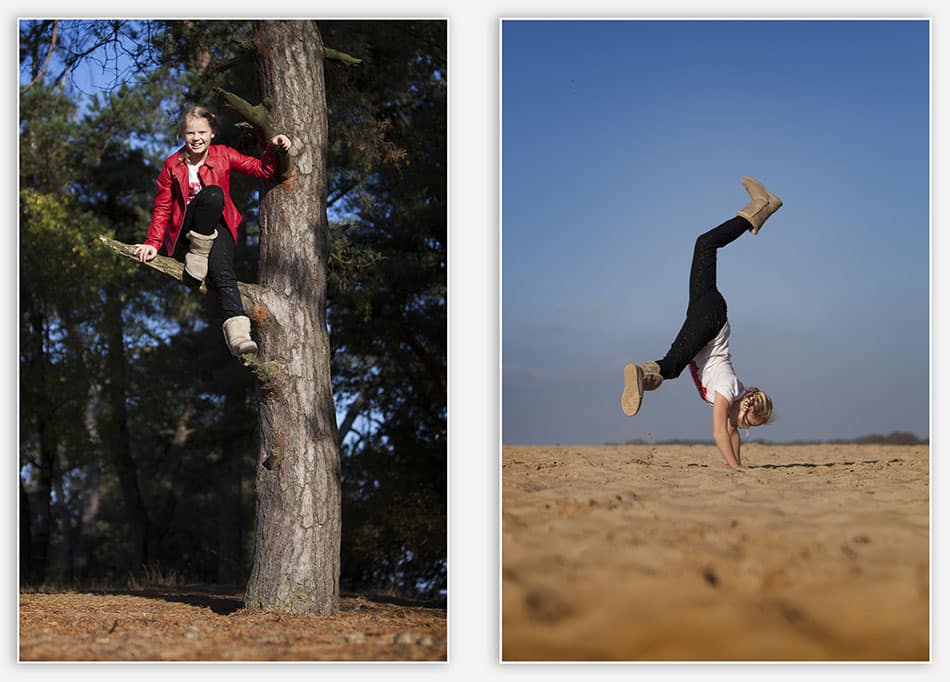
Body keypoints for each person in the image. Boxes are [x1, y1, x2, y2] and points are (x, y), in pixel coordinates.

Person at [621, 177, 780, 471]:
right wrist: (735, 468)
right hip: (709, 320)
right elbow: (720, 432)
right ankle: (644, 374)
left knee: (705, 244)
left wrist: (740, 460)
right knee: (671, 365)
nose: (743, 428)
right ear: (745, 406)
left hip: (708, 312)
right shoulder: (727, 389)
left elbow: (731, 433)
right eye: (748, 424)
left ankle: (759, 209)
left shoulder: (735, 395)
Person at [133, 105, 291, 357]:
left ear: (212, 133)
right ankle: (196, 252)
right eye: (190, 133)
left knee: (225, 273)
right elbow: (163, 206)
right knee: (212, 194)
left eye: (202, 132)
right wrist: (152, 243)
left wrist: (275, 148)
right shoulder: (172, 165)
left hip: (219, 227)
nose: (196, 138)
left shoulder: (223, 155)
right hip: (188, 230)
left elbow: (264, 170)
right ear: (182, 135)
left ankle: (239, 337)